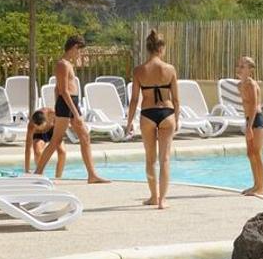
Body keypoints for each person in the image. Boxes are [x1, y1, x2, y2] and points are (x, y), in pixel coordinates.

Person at [35, 35, 108, 183]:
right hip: (67, 104)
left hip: (69, 103)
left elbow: (57, 89)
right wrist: (74, 113)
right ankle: (38, 172)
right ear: (74, 47)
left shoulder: (68, 64)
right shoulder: (62, 64)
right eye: (80, 50)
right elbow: (63, 90)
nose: (80, 54)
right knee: (56, 140)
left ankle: (92, 174)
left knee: (84, 136)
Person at [126, 29, 179, 209]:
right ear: (161, 48)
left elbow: (134, 100)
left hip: (147, 114)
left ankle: (153, 196)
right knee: (165, 159)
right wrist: (177, 118)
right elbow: (176, 99)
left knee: (150, 159)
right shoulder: (170, 69)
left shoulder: (139, 70)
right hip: (167, 114)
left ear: (148, 48)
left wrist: (129, 122)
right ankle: (162, 200)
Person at [237, 56, 263, 196]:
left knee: (257, 153)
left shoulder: (251, 84)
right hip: (249, 120)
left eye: (243, 66)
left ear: (250, 70)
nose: (239, 68)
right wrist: (247, 123)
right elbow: (246, 106)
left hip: (257, 120)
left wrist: (249, 127)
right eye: (239, 65)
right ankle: (255, 185)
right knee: (250, 154)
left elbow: (254, 105)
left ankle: (262, 187)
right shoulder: (240, 85)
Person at [24, 107, 65, 177]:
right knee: (37, 151)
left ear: (46, 120)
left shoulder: (52, 114)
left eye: (42, 127)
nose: (42, 129)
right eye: (38, 128)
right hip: (39, 135)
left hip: (52, 131)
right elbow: (28, 148)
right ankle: (40, 174)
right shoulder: (31, 126)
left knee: (62, 151)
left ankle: (58, 176)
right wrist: (27, 169)